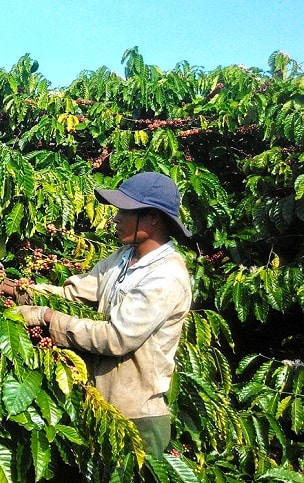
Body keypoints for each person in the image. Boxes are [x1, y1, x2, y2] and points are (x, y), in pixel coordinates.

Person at [13, 172, 192, 457]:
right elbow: (74, 293)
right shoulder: (123, 257)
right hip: (99, 404)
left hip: (136, 419)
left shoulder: (166, 276)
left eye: (125, 211)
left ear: (153, 218)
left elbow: (116, 338)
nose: (116, 218)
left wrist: (48, 318)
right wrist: (14, 290)